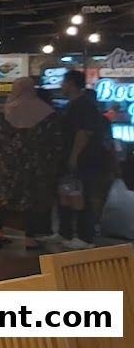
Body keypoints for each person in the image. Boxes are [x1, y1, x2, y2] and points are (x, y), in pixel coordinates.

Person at [0, 77, 63, 249]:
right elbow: (55, 142)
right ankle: (30, 238)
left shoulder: (5, 111)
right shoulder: (47, 112)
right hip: (34, 164)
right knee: (31, 200)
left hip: (7, 163)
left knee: (1, 198)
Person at [56, 70, 112, 249]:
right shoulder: (76, 104)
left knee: (82, 195)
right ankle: (65, 233)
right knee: (69, 193)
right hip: (75, 156)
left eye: (63, 82)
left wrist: (74, 156)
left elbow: (84, 133)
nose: (61, 86)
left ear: (71, 83)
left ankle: (84, 237)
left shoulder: (82, 105)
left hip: (84, 158)